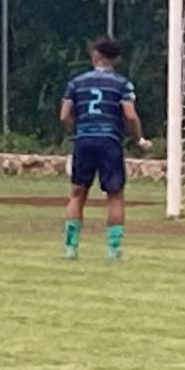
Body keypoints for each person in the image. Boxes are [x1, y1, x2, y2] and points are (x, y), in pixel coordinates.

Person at [60, 37, 152, 260]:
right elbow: (129, 115)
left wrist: (78, 130)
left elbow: (64, 115)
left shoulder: (77, 82)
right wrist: (139, 137)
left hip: (84, 140)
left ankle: (71, 248)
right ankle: (113, 250)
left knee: (77, 193)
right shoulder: (122, 84)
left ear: (95, 56)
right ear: (116, 59)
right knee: (115, 195)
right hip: (109, 141)